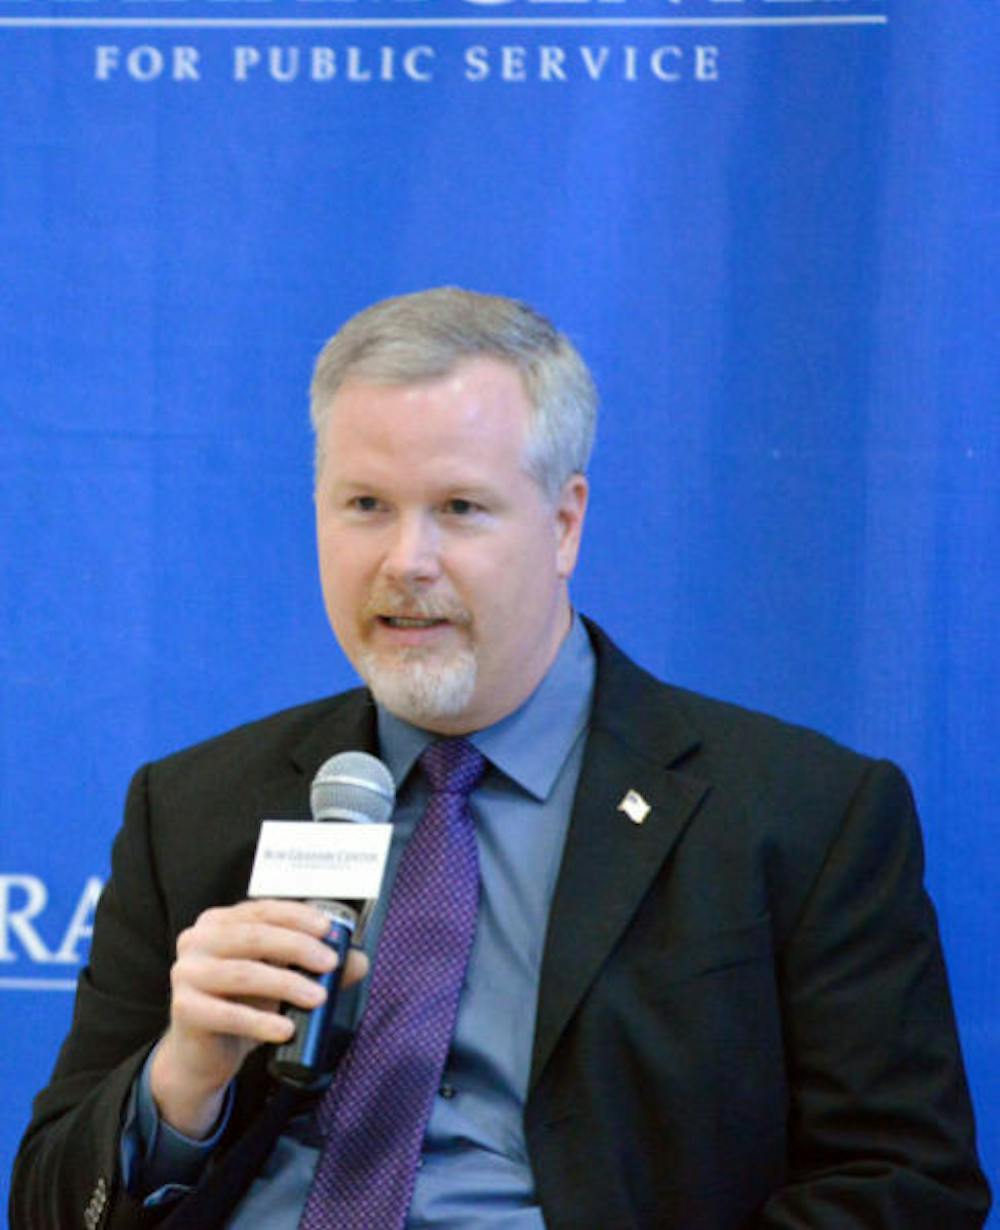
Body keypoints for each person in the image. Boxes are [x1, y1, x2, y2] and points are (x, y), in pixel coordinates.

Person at [10, 288, 991, 1229]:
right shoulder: (191, 808)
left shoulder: (799, 815)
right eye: (365, 504)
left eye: (460, 508)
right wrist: (180, 1081)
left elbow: (904, 1186)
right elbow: (49, 1207)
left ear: (564, 524)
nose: (406, 561)